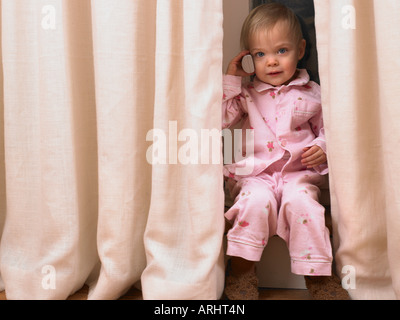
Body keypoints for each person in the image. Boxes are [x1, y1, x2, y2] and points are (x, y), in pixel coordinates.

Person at [222, 3, 349, 300]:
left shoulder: (312, 92)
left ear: (301, 49)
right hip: (257, 175)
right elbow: (221, 119)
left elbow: (332, 129)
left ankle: (318, 277)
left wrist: (322, 146)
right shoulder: (247, 94)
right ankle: (241, 271)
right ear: (250, 58)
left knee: (304, 207)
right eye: (261, 54)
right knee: (253, 203)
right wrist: (232, 80)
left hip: (298, 176)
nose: (272, 62)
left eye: (282, 51)